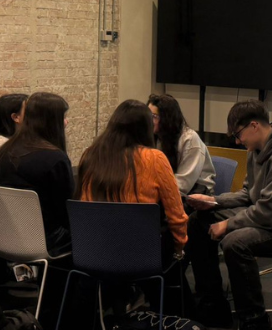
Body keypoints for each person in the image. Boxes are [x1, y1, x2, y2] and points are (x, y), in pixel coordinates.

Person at [186, 100, 272, 330]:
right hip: (271, 215)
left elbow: (269, 213)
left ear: (254, 125)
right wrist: (214, 201)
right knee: (198, 220)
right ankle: (212, 303)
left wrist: (228, 224)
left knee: (235, 243)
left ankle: (255, 323)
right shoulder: (257, 150)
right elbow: (250, 194)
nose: (238, 141)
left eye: (238, 134)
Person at [77, 100, 190, 311]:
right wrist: (179, 248)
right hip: (142, 255)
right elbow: (177, 216)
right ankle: (169, 318)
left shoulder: (90, 155)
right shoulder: (155, 159)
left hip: (94, 251)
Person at [0, 92, 73, 253]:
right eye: (63, 117)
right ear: (51, 121)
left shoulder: (6, 150)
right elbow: (66, 212)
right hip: (44, 240)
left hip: (4, 235)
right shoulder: (55, 158)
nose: (66, 122)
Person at [148, 93, 215, 197]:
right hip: (169, 192)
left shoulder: (190, 140)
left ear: (167, 118)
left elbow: (182, 185)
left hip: (196, 196)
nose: (148, 120)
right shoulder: (157, 136)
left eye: (154, 116)